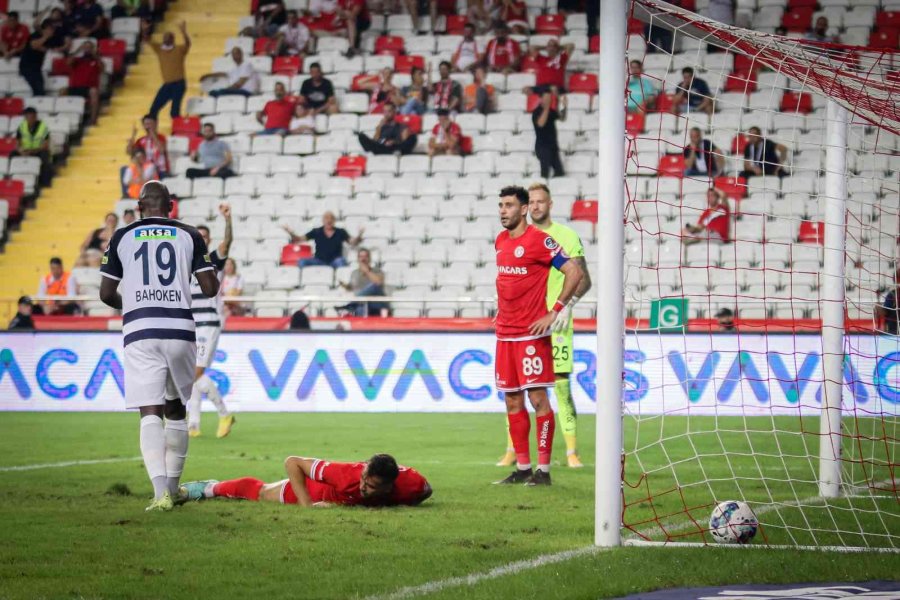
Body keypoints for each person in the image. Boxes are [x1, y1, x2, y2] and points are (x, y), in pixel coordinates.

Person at [99, 181, 219, 512]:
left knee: (149, 410)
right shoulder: (190, 234)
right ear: (171, 206)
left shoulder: (122, 236)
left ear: (139, 206)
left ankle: (159, 494)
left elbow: (106, 294)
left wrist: (135, 303)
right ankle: (174, 487)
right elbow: (210, 288)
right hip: (180, 329)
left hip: (140, 329)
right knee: (176, 407)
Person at [493, 185, 583, 486]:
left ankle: (543, 471)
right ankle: (522, 468)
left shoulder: (540, 241)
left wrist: (556, 310)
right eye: (501, 205)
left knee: (538, 399)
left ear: (522, 210)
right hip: (505, 334)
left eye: (508, 205)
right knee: (512, 402)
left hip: (531, 334)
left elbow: (574, 272)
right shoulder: (501, 241)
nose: (503, 210)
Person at [180, 453, 432, 508]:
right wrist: (306, 505)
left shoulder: (411, 484)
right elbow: (293, 462)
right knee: (260, 492)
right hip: (317, 492)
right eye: (364, 479)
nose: (364, 486)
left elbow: (426, 491)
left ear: (390, 485)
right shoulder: (345, 475)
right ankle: (208, 488)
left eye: (372, 486)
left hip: (338, 501)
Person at [188, 204, 235, 439]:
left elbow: (228, 242)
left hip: (208, 326)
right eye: (199, 236)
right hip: (193, 326)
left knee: (194, 373)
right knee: (192, 376)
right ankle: (193, 424)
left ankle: (224, 414)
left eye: (205, 236)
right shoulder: (186, 265)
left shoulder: (213, 260)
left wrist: (228, 220)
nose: (202, 239)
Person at [282, 210, 363, 268]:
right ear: (323, 220)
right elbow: (299, 239)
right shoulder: (316, 231)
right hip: (318, 260)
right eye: (326, 218)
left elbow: (352, 242)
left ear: (334, 220)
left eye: (331, 218)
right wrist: (290, 232)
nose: (329, 220)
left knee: (341, 262)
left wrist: (360, 234)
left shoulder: (340, 232)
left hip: (335, 260)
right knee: (302, 261)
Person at [146, 21, 190, 119]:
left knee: (174, 111)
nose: (166, 39)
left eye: (168, 37)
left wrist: (183, 32)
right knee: (153, 109)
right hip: (167, 84)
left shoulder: (179, 49)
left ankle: (177, 130)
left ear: (172, 39)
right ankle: (152, 131)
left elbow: (188, 44)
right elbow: (147, 40)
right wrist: (145, 30)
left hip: (179, 83)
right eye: (164, 37)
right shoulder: (159, 49)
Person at [338, 247, 388, 317]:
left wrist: (367, 271)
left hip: (375, 302)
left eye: (365, 256)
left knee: (374, 286)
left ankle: (350, 305)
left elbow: (378, 283)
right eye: (361, 257)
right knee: (361, 305)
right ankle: (359, 325)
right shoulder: (354, 273)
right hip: (361, 303)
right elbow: (352, 287)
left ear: (369, 258)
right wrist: (345, 286)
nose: (363, 259)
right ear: (358, 259)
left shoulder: (377, 271)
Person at [64, 39, 103, 125]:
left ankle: (93, 120)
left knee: (94, 92)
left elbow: (102, 68)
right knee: (61, 91)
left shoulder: (96, 61)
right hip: (75, 87)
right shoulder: (77, 60)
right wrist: (78, 50)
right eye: (85, 47)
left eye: (89, 47)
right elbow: (68, 63)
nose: (87, 49)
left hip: (88, 88)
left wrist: (94, 54)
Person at [12, 107, 52, 187]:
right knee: (12, 154)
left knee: (45, 154)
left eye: (32, 117)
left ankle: (44, 183)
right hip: (25, 151)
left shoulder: (43, 127)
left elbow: (45, 145)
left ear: (35, 117)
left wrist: (33, 151)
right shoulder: (21, 127)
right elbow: (17, 144)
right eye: (27, 117)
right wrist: (20, 151)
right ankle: (12, 181)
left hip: (38, 151)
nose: (30, 120)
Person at [533, 90, 566, 179]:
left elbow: (562, 117)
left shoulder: (551, 111)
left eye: (549, 98)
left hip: (553, 146)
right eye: (546, 97)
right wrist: (546, 108)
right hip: (542, 147)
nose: (548, 99)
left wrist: (563, 105)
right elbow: (541, 124)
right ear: (541, 99)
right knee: (545, 172)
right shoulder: (536, 112)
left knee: (560, 172)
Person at [126, 114, 170, 179]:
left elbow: (162, 150)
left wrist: (153, 134)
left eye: (150, 124)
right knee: (125, 170)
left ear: (156, 124)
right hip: (146, 170)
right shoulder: (141, 140)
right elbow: (129, 152)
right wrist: (133, 136)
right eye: (146, 124)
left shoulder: (161, 138)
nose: (148, 127)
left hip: (160, 171)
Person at [875, 268, 900, 335]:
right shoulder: (892, 294)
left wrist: (878, 306)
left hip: (894, 332)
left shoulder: (892, 294)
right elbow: (884, 313)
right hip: (894, 331)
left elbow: (883, 313)